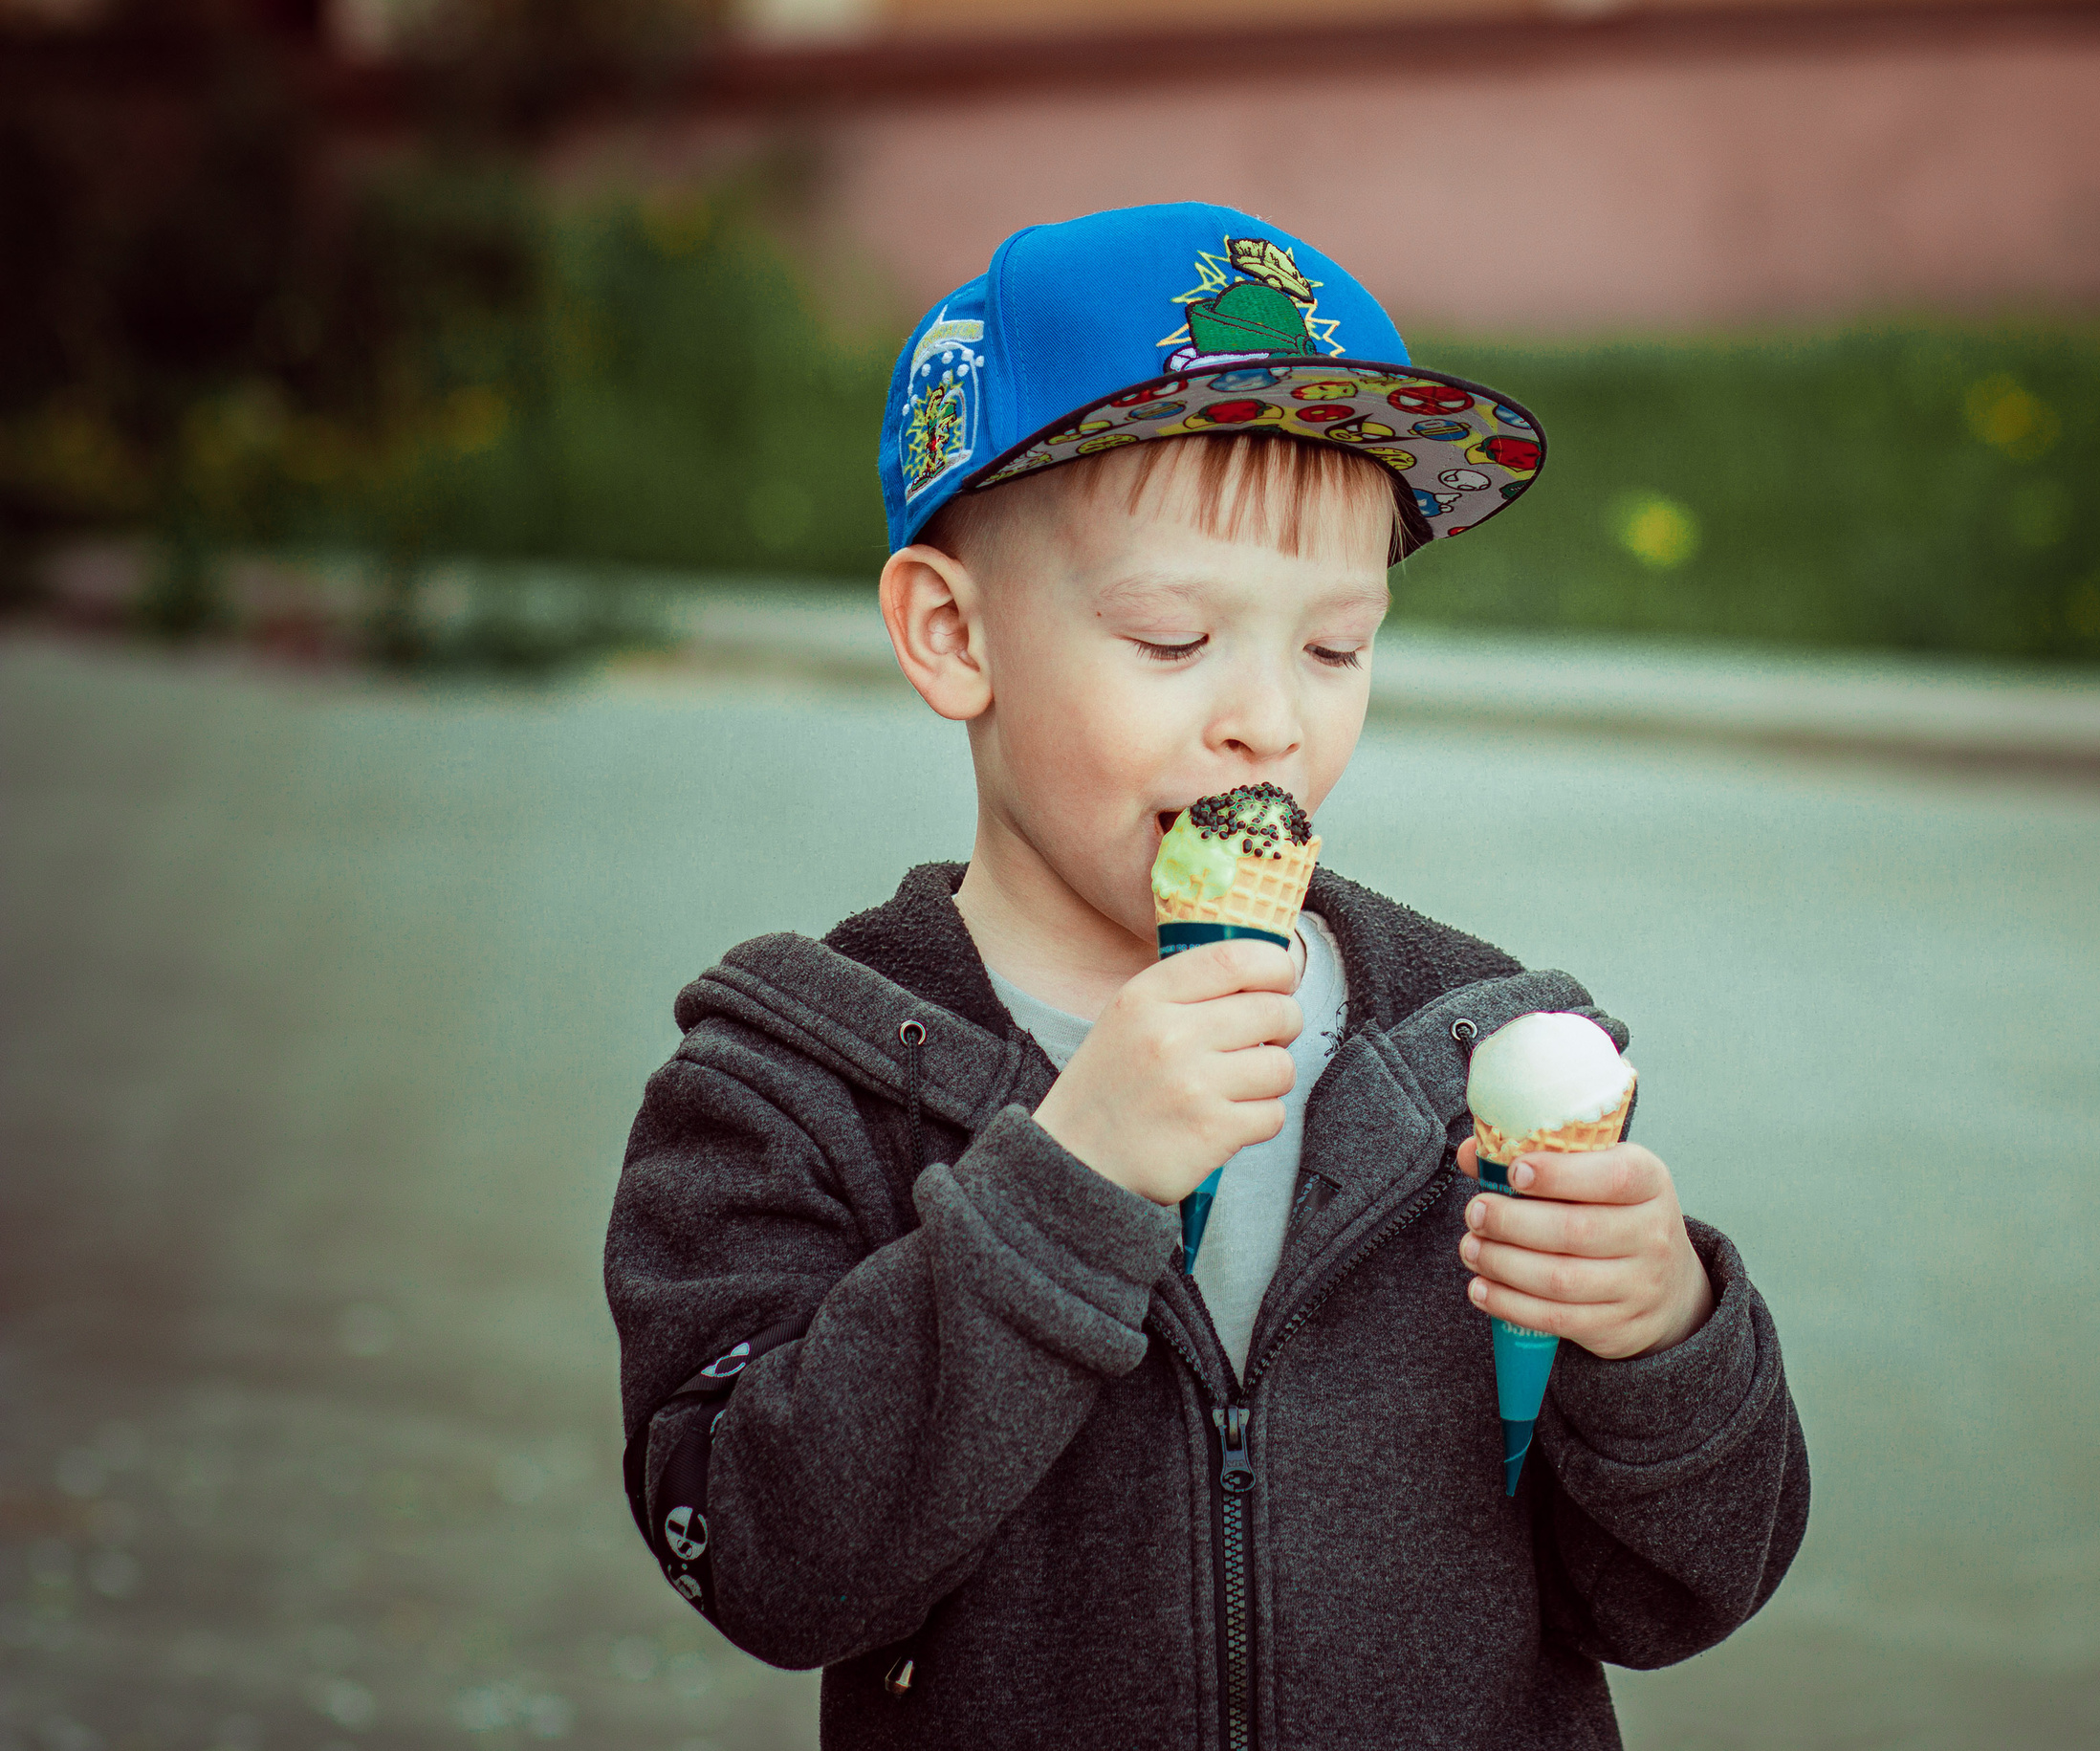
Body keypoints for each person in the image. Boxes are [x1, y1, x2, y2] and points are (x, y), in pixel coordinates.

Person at [605, 202, 1806, 1750]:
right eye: (1175, 640)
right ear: (953, 635)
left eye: (1335, 648)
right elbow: (769, 1565)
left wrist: (1664, 1336)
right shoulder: (794, 1087)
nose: (1269, 723)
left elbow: (1676, 1597)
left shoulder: (1467, 1054)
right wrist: (1072, 1180)